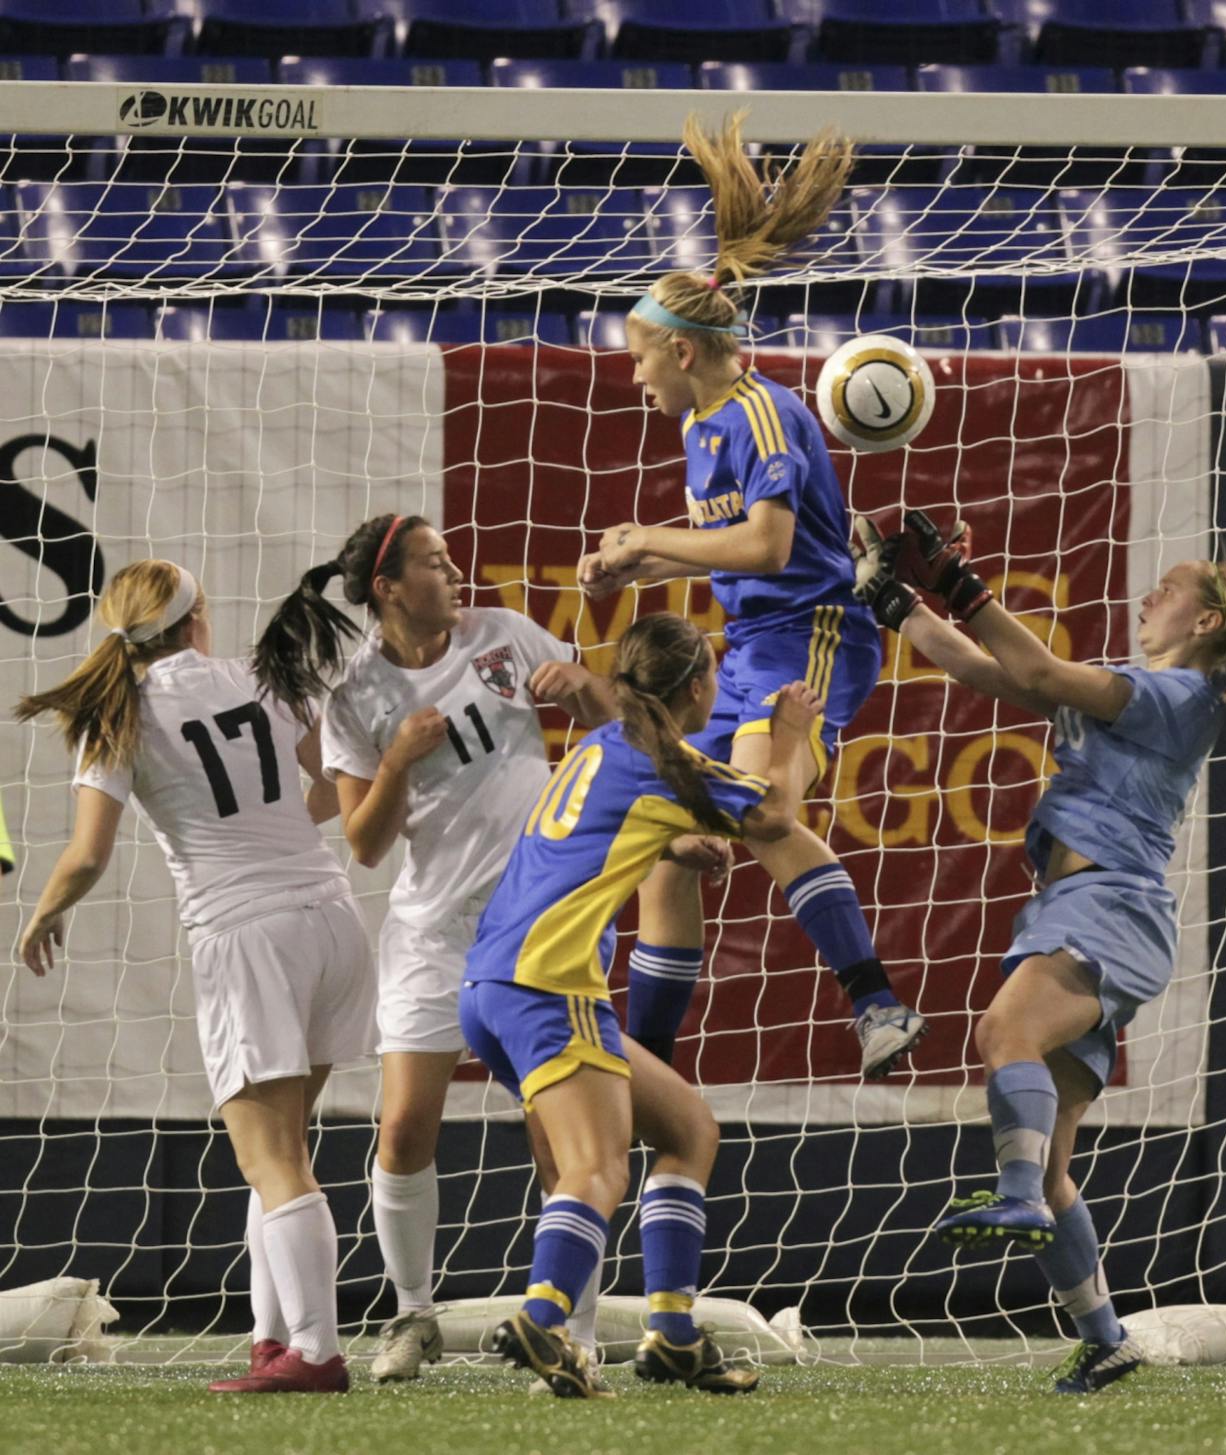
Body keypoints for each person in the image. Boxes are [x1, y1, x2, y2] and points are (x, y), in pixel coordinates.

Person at [854, 511, 1226, 1394]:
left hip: (1109, 906)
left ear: (1205, 620)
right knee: (1056, 1163)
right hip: (1088, 906)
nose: (1147, 598)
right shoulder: (1133, 689)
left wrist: (958, 580)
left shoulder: (1177, 696)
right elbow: (980, 667)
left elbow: (1033, 667)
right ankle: (1105, 1336)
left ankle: (1017, 1194)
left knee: (1005, 1034)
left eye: (1167, 590)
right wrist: (897, 599)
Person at [576, 113, 923, 1079]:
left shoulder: (762, 409)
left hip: (812, 632)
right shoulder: (703, 427)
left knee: (768, 815)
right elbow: (736, 547)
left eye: (640, 358)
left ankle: (877, 1004)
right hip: (753, 638)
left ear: (683, 353)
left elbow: (770, 548)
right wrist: (638, 567)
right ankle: (649, 1067)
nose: (635, 377)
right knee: (672, 841)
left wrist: (650, 537)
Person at [253, 512, 615, 1382]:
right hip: (432, 930)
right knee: (404, 1126)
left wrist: (583, 686)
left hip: (540, 921)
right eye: (435, 562)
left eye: (451, 559)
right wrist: (398, 760)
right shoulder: (357, 694)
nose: (455, 573)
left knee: (556, 1137)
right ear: (387, 588)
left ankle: (575, 1328)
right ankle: (413, 1313)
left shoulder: (505, 635)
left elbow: (612, 726)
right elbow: (365, 842)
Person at [15, 561, 371, 1394]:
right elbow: (333, 785)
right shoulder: (260, 674)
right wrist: (274, 823)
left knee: (271, 1155)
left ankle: (316, 1352)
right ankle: (273, 1338)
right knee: (284, 1148)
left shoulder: (117, 712)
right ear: (195, 618)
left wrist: (44, 911)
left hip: (247, 935)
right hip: (332, 918)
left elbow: (88, 853)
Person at [463, 612, 817, 1399]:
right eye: (713, 674)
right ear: (695, 688)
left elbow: (592, 833)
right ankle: (542, 1318)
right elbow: (774, 815)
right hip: (549, 983)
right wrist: (790, 734)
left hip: (493, 984)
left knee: (689, 1128)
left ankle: (674, 1336)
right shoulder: (667, 759)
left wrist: (672, 842)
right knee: (596, 1167)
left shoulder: (602, 744)